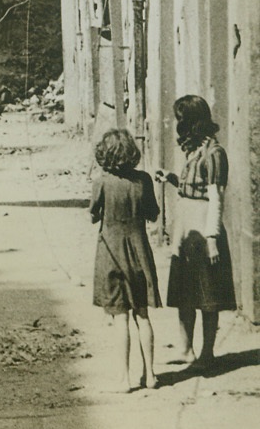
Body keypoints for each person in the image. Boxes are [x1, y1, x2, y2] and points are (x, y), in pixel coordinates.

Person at [156, 95, 236, 370]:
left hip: (202, 227)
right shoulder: (195, 150)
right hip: (185, 226)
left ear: (191, 121)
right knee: (185, 291)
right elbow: (193, 187)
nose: (177, 124)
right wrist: (171, 178)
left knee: (207, 292)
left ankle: (207, 353)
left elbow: (216, 198)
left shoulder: (215, 153)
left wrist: (211, 238)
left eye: (181, 119)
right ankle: (186, 349)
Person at [91, 129, 161, 392]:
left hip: (111, 253)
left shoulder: (102, 182)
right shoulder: (144, 180)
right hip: (140, 253)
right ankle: (151, 375)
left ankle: (125, 378)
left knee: (120, 319)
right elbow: (153, 214)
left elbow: (93, 215)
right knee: (142, 315)